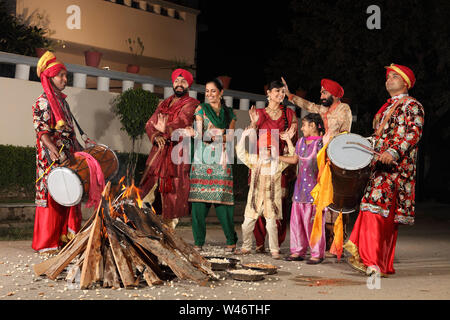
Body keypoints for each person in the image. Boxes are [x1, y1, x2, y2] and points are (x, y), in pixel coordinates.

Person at [344, 63, 425, 276]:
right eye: (387, 77)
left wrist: (394, 152)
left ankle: (372, 262)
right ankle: (376, 263)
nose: (388, 80)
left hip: (396, 169)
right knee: (377, 211)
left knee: (377, 210)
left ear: (405, 83)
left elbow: (413, 133)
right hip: (379, 167)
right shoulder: (387, 108)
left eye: (394, 77)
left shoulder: (412, 105)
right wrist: (357, 145)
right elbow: (378, 138)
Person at [282, 77, 352, 254]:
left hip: (336, 159)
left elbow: (346, 135)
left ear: (334, 94)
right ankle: (315, 244)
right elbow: (308, 106)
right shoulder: (322, 109)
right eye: (321, 92)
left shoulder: (344, 109)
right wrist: (290, 96)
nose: (321, 95)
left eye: (324, 92)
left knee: (335, 202)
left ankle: (336, 243)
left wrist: (335, 150)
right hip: (318, 158)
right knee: (317, 202)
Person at [32, 51, 83, 254]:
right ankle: (47, 242)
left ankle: (65, 238)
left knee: (69, 193)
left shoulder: (63, 101)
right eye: (60, 75)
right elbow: (41, 131)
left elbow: (68, 130)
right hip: (51, 158)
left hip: (67, 154)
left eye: (65, 75)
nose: (64, 79)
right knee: (53, 196)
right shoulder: (43, 101)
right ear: (50, 77)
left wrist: (80, 149)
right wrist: (54, 151)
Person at [139, 69, 200, 229]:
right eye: (177, 81)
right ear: (173, 83)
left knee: (172, 196)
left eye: (183, 82)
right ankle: (141, 230)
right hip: (158, 154)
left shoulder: (192, 104)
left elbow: (182, 121)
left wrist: (164, 128)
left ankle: (169, 236)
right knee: (146, 193)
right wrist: (156, 135)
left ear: (188, 85)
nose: (179, 84)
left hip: (176, 155)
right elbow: (149, 123)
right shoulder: (164, 103)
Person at [187, 78, 238, 252]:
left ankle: (231, 241)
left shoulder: (229, 113)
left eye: (213, 91)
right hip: (202, 160)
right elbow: (200, 134)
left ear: (221, 93)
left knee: (223, 203)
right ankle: (198, 242)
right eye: (207, 91)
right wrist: (217, 134)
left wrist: (214, 135)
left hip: (221, 161)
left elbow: (230, 137)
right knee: (199, 205)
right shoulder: (201, 109)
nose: (209, 94)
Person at [247, 79, 298, 253]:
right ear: (268, 93)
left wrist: (290, 136)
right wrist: (253, 124)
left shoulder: (289, 114)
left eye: (282, 92)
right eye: (276, 91)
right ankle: (260, 242)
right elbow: (251, 138)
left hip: (279, 165)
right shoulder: (259, 113)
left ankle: (275, 244)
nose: (280, 95)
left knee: (278, 204)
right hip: (261, 165)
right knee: (257, 203)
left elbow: (294, 138)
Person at [235, 128, 295, 259]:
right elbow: (240, 153)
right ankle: (246, 246)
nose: (265, 152)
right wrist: (243, 136)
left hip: (270, 201)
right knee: (246, 225)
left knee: (272, 226)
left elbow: (292, 155)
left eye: (268, 149)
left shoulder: (278, 163)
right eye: (263, 149)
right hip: (255, 200)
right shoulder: (255, 161)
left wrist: (288, 140)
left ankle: (274, 249)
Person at [279, 113, 326, 264]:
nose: (302, 128)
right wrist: (276, 156)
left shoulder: (322, 143)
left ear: (313, 126)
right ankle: (297, 251)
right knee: (297, 223)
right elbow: (294, 160)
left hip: (315, 191)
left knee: (312, 223)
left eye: (304, 125)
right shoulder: (300, 142)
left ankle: (316, 253)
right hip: (299, 191)